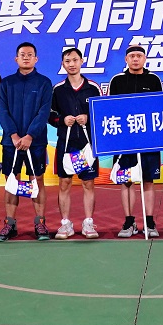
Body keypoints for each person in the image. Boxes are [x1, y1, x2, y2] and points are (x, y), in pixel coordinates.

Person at [0, 41, 53, 241]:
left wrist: (30, 136)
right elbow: (2, 111)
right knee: (12, 181)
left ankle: (40, 223)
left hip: (35, 142)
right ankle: (9, 224)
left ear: (36, 59)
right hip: (10, 142)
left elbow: (44, 112)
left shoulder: (44, 83)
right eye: (22, 54)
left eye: (30, 55)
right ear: (16, 58)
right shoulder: (6, 83)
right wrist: (13, 135)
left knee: (37, 180)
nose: (26, 57)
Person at [108, 45, 163, 238]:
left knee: (148, 180)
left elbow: (159, 108)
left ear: (144, 59)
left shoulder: (153, 80)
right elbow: (110, 109)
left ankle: (149, 222)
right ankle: (129, 221)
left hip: (148, 141)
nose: (135, 59)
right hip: (124, 141)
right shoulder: (117, 80)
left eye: (139, 55)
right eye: (131, 56)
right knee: (126, 181)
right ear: (126, 59)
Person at [49, 47, 102, 239]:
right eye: (67, 61)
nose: (71, 64)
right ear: (63, 64)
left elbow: (102, 113)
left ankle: (88, 222)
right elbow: (50, 114)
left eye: (75, 60)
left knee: (88, 183)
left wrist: (88, 117)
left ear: (81, 61)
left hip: (87, 145)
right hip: (66, 144)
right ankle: (65, 224)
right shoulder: (58, 89)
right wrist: (62, 120)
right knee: (64, 183)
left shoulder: (93, 88)